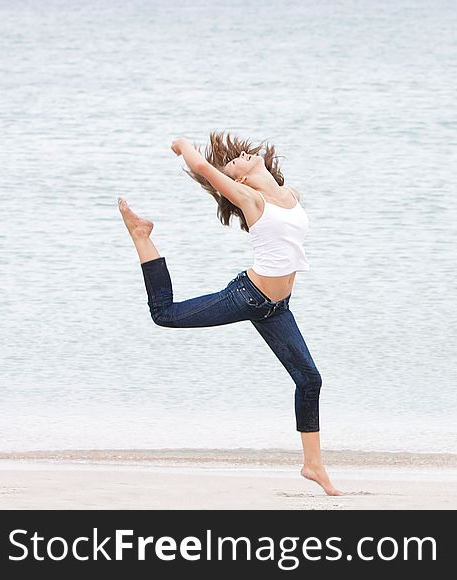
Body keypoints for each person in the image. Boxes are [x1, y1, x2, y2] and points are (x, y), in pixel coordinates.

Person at [116, 131, 341, 496]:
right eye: (235, 161)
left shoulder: (290, 196)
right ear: (237, 178)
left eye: (241, 154)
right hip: (248, 296)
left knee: (310, 380)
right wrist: (183, 146)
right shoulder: (249, 198)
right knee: (165, 314)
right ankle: (142, 236)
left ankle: (313, 465)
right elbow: (204, 168)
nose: (240, 155)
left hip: (277, 309)